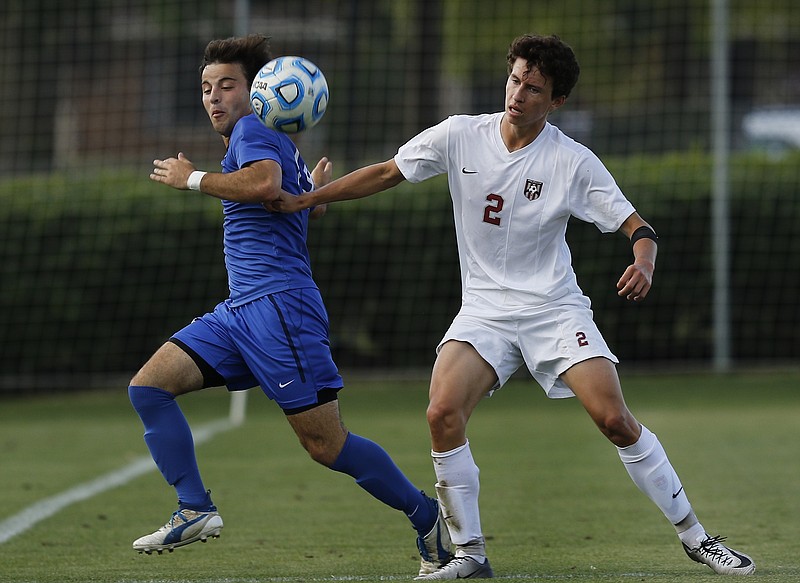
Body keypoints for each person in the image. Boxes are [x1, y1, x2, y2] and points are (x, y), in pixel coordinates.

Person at [264, 34, 756, 579]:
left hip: (553, 308)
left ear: (557, 102)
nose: (518, 93)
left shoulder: (572, 160)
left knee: (615, 420)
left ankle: (696, 537)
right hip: (484, 312)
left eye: (534, 87)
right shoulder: (459, 135)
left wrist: (644, 261)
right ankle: (470, 556)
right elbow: (386, 172)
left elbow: (639, 228)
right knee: (441, 414)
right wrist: (308, 199)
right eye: (516, 78)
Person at [130, 34, 453, 577]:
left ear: (257, 92)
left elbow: (262, 185)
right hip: (241, 311)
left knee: (327, 446)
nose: (214, 98)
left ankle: (428, 517)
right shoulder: (272, 140)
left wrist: (193, 179)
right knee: (148, 387)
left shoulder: (255, 130)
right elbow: (285, 201)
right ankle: (195, 508)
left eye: (227, 86)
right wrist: (313, 196)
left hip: (279, 309)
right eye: (206, 88)